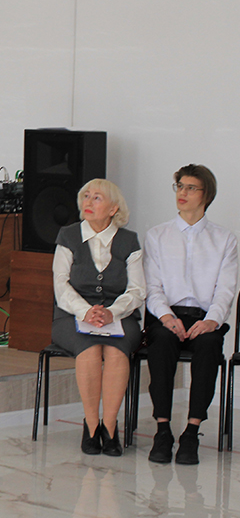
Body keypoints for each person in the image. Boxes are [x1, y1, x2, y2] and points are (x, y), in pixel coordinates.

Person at [143, 164, 238, 465]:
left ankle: (191, 432)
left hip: (205, 317)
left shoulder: (225, 239)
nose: (182, 193)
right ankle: (162, 430)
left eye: (190, 188)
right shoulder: (157, 235)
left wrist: (211, 320)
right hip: (167, 316)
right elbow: (152, 287)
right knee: (161, 342)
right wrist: (165, 316)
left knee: (210, 345)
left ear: (206, 194)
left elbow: (226, 289)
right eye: (179, 186)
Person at [52, 178, 145, 456]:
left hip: (120, 315)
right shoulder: (68, 236)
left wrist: (111, 312)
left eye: (97, 198)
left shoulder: (129, 241)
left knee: (116, 352)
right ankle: (91, 426)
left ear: (114, 209)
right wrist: (85, 311)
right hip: (71, 315)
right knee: (90, 349)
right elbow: (60, 284)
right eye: (86, 196)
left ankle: (110, 426)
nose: (88, 202)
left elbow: (137, 290)